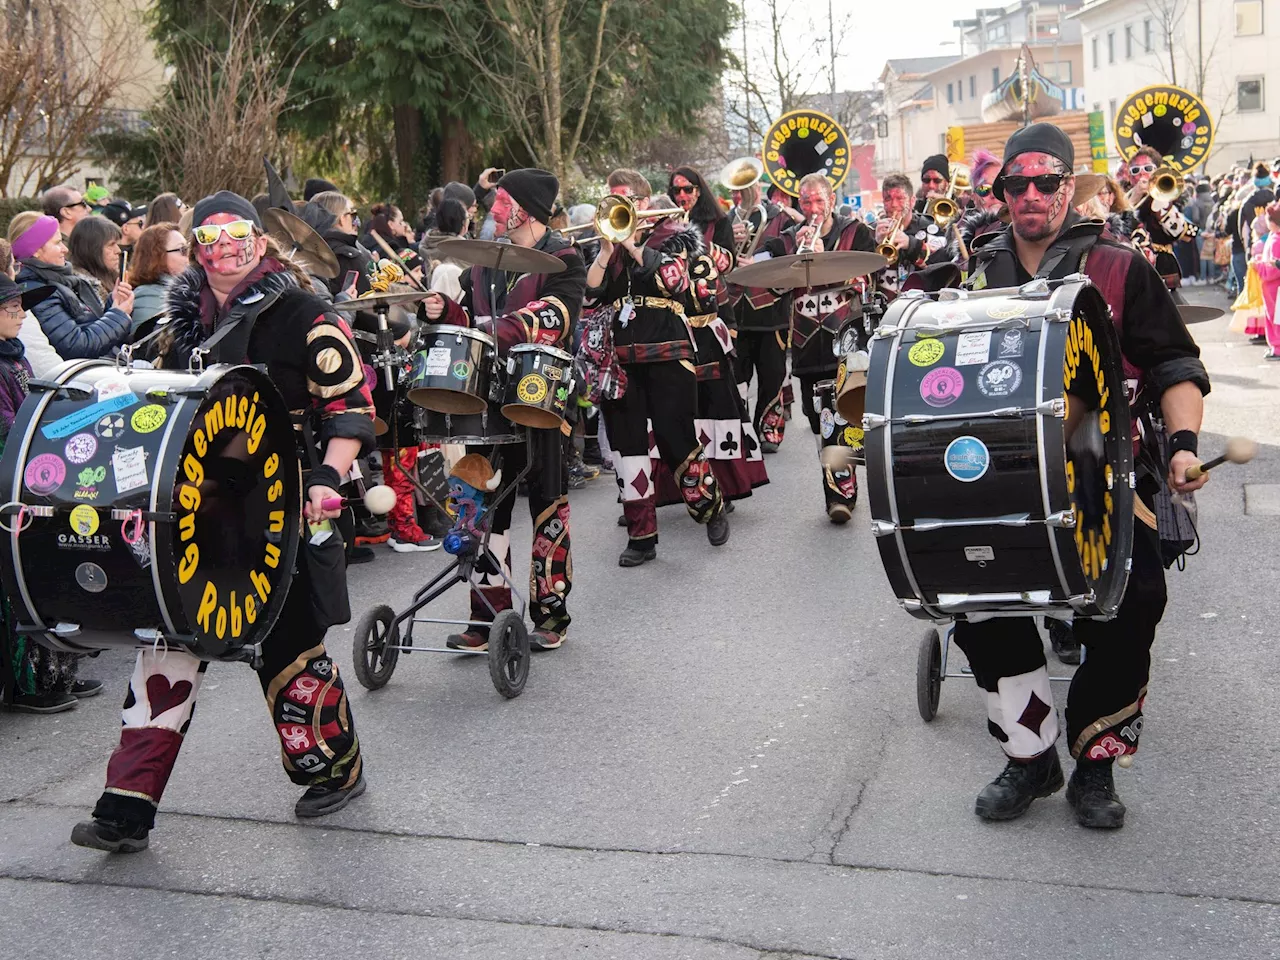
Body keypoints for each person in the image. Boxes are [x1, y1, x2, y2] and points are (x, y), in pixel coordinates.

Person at [71, 191, 372, 854]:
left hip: (277, 507)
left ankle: (334, 767)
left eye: (237, 235)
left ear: (260, 243)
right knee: (170, 638)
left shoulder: (303, 313)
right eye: (209, 238)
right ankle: (127, 806)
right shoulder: (181, 324)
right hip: (195, 513)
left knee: (287, 645)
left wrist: (327, 477)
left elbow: (350, 405)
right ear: (195, 247)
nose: (225, 249)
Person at [952, 123, 1209, 829]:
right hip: (1000, 474)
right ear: (1002, 192)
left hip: (1107, 467)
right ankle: (1030, 756)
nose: (1031, 196)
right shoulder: (973, 273)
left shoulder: (1122, 268)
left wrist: (1183, 445)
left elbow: (1175, 367)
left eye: (1046, 182)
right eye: (1017, 184)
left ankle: (1095, 763)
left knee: (1133, 607)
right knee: (981, 610)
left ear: (1071, 186)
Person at [422, 169, 584, 650]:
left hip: (540, 394)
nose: (492, 207)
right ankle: (487, 616)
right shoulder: (483, 262)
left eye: (501, 200)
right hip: (489, 395)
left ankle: (551, 617)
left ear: (526, 208)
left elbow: (557, 317)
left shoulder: (564, 257)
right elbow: (472, 322)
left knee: (546, 504)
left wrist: (502, 328)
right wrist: (447, 315)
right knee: (486, 504)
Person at [584, 169, 729, 566]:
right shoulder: (607, 247)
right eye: (611, 199)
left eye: (625, 199)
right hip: (620, 360)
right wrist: (603, 251)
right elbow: (590, 296)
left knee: (675, 437)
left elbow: (673, 280)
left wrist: (632, 245)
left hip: (668, 350)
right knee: (628, 448)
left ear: (644, 203)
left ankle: (710, 507)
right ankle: (641, 537)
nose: (616, 207)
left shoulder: (676, 233)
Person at [0, 273, 101, 713]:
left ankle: (58, 673)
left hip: (34, 476)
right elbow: (9, 429)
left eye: (21, 306)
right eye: (10, 308)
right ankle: (27, 685)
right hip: (11, 488)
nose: (20, 314)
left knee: (50, 576)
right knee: (20, 587)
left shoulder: (15, 357)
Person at [773, 172, 875, 522]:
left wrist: (823, 259)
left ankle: (839, 495)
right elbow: (771, 284)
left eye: (819, 200)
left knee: (840, 416)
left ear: (831, 200)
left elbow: (866, 278)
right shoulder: (788, 238)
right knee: (819, 421)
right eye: (806, 202)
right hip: (805, 344)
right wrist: (792, 260)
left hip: (844, 338)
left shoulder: (855, 232)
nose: (813, 209)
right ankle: (842, 481)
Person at [668, 165, 767, 507]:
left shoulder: (718, 223)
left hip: (710, 322)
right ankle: (686, 483)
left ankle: (726, 483)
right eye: (677, 191)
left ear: (699, 190)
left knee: (718, 401)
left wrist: (694, 240)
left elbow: (726, 266)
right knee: (681, 406)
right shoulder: (664, 224)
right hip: (676, 322)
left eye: (688, 189)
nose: (682, 196)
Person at [730, 178, 799, 453]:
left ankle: (768, 429)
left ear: (758, 188)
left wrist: (758, 262)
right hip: (736, 309)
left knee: (772, 375)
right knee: (737, 376)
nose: (742, 194)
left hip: (770, 310)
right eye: (736, 189)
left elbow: (790, 256)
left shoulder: (781, 219)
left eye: (747, 187)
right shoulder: (727, 221)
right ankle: (742, 431)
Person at [9, 213, 133, 359]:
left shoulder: (63, 279)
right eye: (57, 243)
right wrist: (118, 315)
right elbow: (75, 346)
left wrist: (115, 303)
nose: (65, 249)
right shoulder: (38, 292)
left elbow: (89, 324)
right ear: (35, 250)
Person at [125, 222, 187, 336]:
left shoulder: (186, 289)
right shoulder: (147, 296)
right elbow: (149, 347)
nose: (189, 255)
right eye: (183, 250)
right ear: (158, 256)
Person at [67, 215, 125, 304]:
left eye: (117, 244)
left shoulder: (111, 276)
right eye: (111, 245)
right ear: (92, 249)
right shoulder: (79, 287)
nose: (118, 251)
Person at [426, 197, 470, 300]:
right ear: (462, 223)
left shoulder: (428, 243)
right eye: (468, 218)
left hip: (432, 300)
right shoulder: (467, 251)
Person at [1252, 203, 1280, 359]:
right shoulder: (1273, 237)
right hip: (1272, 287)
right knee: (1273, 316)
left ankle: (1277, 347)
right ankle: (1275, 346)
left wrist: (1258, 266)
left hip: (1274, 286)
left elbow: (1273, 268)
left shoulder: (1276, 240)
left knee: (1276, 317)